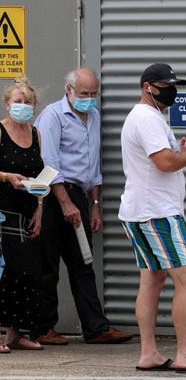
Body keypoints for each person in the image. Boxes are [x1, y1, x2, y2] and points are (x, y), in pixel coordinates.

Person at [119, 63, 186, 373]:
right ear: (147, 86)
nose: (172, 91)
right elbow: (165, 163)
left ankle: (149, 353)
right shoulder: (147, 118)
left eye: (174, 85)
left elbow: (158, 158)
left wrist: (178, 149)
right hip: (158, 213)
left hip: (140, 210)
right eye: (166, 85)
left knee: (152, 279)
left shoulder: (144, 118)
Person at [31, 68, 132, 345]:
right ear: (69, 90)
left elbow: (93, 164)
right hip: (54, 197)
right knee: (48, 264)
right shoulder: (53, 116)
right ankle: (43, 328)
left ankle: (96, 328)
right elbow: (49, 164)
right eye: (84, 94)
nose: (89, 99)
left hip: (80, 197)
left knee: (82, 263)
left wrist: (95, 204)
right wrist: (65, 203)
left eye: (93, 94)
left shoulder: (94, 116)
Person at [0, 76, 45, 352]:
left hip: (26, 212)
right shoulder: (0, 131)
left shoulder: (36, 133)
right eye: (19, 102)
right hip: (2, 212)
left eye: (28, 102)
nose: (24, 107)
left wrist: (40, 208)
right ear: (7, 105)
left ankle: (16, 333)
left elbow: (40, 175)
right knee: (3, 273)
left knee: (26, 274)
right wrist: (6, 177)